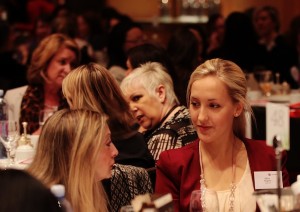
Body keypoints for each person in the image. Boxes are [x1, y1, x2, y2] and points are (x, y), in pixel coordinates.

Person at [155, 58, 290, 211]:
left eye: (213, 106)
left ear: (237, 108)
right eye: (195, 104)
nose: (201, 117)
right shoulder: (173, 164)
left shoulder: (269, 158)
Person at [62, 62, 155, 168]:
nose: (70, 108)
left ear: (80, 103)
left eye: (70, 100)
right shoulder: (137, 137)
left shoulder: (83, 150)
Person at [27, 109, 118, 212]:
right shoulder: (44, 204)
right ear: (79, 152)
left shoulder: (89, 189)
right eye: (108, 143)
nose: (115, 152)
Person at [120, 62, 197, 161]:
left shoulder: (164, 137)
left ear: (161, 93)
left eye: (136, 98)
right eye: (126, 105)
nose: (131, 108)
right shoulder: (189, 116)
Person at [19, 33, 80, 134]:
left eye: (72, 64)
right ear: (45, 61)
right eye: (62, 62)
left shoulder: (76, 101)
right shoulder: (16, 98)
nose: (68, 70)